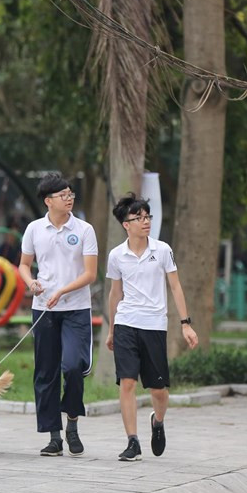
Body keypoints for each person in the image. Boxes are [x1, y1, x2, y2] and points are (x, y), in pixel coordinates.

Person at [105, 193, 198, 462]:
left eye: (148, 217)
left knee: (158, 390)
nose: (145, 222)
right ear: (126, 224)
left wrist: (185, 324)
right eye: (139, 218)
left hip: (154, 325)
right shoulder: (116, 255)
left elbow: (175, 286)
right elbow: (114, 293)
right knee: (127, 382)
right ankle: (132, 441)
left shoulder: (162, 250)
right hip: (125, 323)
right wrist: (112, 330)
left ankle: (158, 422)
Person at [18, 173, 98, 456]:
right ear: (48, 200)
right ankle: (54, 436)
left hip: (76, 308)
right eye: (63, 194)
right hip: (44, 310)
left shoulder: (85, 230)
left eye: (71, 193)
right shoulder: (34, 229)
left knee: (74, 366)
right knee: (46, 372)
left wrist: (62, 291)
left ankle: (73, 421)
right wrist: (31, 282)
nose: (69, 198)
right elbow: (25, 265)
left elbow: (90, 274)